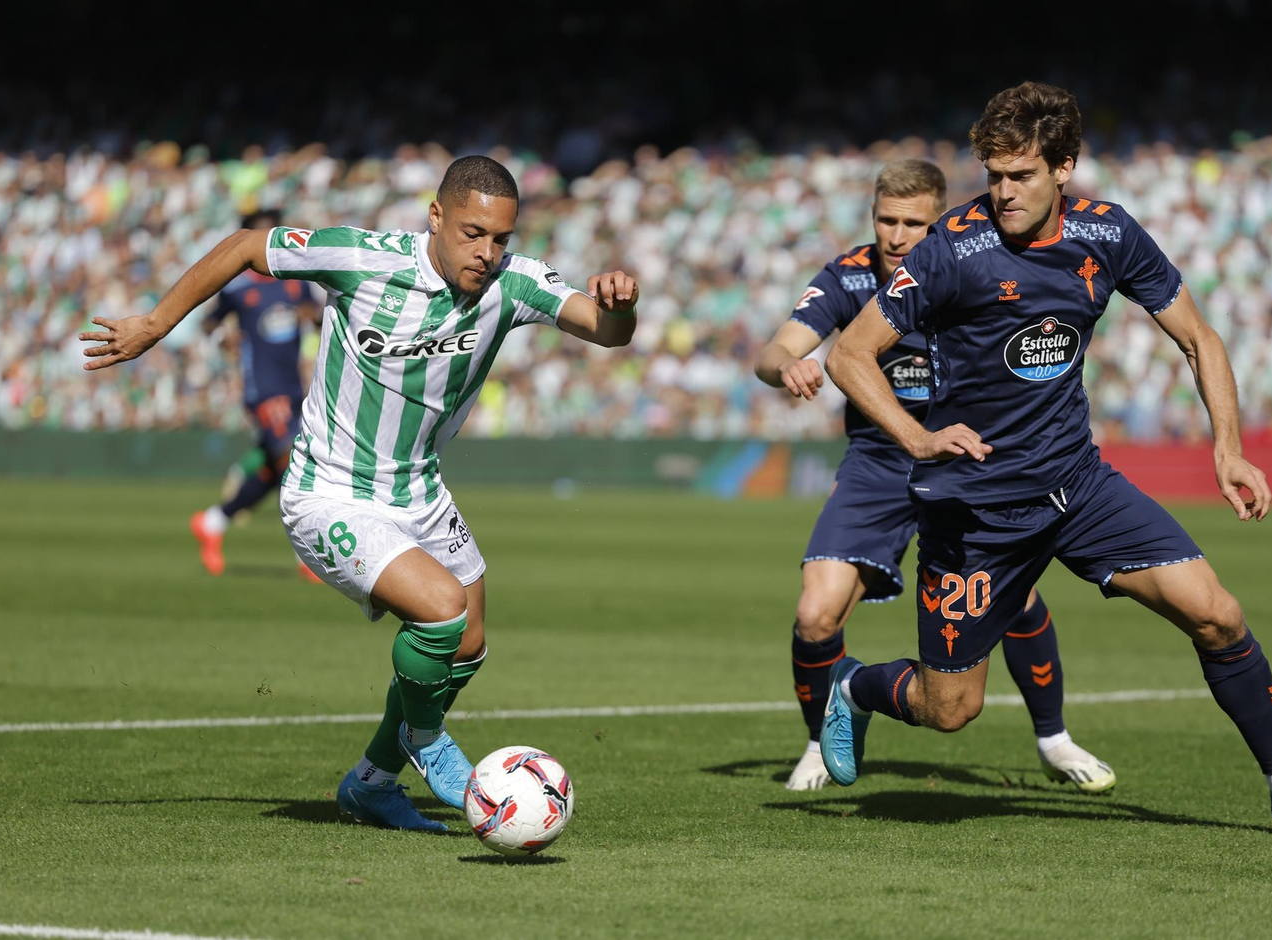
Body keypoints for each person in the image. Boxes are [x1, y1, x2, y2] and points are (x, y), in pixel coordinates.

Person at [822, 82, 1272, 836]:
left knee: (1215, 614)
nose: (1002, 191)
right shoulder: (952, 248)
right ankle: (856, 688)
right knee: (948, 709)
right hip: (974, 512)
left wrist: (1230, 450)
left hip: (1077, 488)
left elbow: (1199, 337)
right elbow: (851, 355)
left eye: (1020, 175)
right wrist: (919, 439)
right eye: (992, 174)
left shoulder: (1109, 233)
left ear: (1065, 167)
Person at [82, 156, 638, 832]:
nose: (487, 253)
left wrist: (621, 309)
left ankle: (372, 782)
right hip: (329, 491)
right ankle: (425, 739)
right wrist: (156, 321)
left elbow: (605, 332)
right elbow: (247, 246)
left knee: (469, 643)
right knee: (441, 611)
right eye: (472, 234)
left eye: (500, 239)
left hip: (418, 489)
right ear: (435, 217)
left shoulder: (514, 284)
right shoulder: (364, 259)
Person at [753, 159, 1112, 793]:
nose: (896, 236)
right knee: (815, 616)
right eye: (886, 221)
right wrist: (786, 365)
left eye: (913, 223)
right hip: (878, 463)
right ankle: (820, 738)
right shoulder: (848, 276)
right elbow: (774, 349)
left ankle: (1054, 739)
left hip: (965, 460)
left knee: (1017, 598)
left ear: (940, 220)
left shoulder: (973, 263)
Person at [189, 208, 323, 580]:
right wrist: (224, 338)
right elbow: (209, 323)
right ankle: (308, 554)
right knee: (294, 463)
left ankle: (212, 523)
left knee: (270, 471)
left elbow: (317, 316)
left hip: (293, 388)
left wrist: (311, 315)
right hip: (262, 389)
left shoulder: (295, 280)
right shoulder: (237, 286)